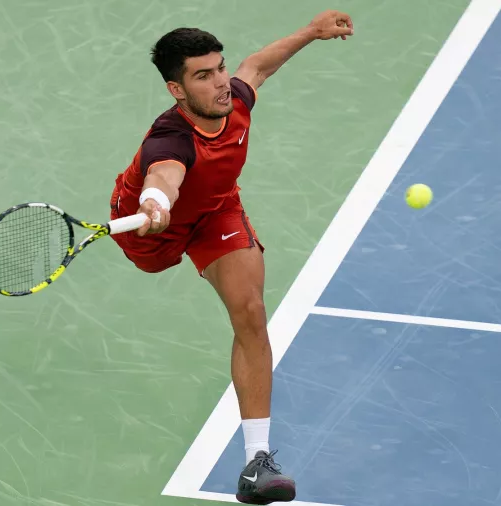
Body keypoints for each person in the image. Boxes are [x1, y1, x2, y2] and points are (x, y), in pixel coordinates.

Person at [108, 10, 354, 504]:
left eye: (219, 68)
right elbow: (163, 176)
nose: (221, 83)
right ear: (177, 91)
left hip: (218, 212)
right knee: (155, 263)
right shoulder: (171, 139)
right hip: (153, 226)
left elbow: (258, 66)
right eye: (203, 76)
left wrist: (309, 31)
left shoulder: (234, 98)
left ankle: (257, 464)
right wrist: (154, 203)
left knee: (251, 314)